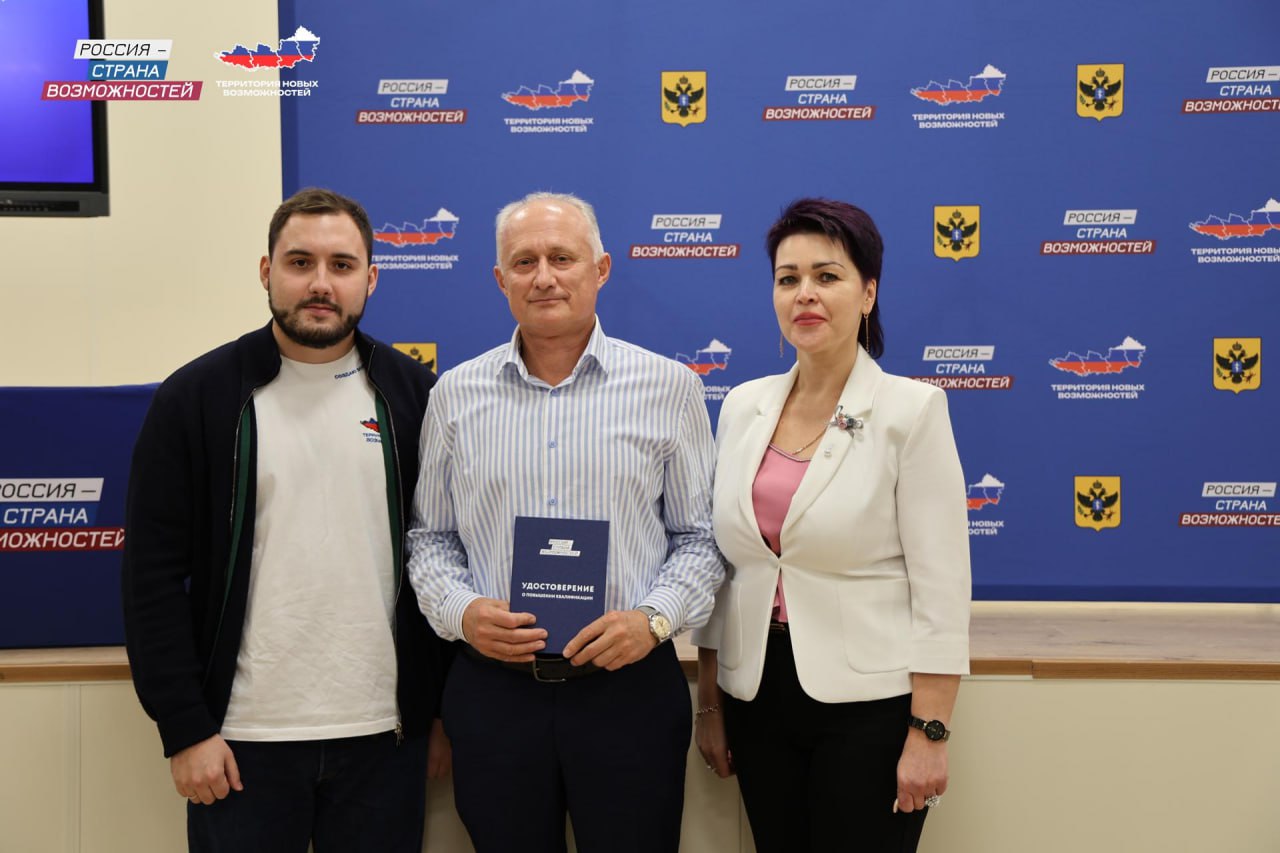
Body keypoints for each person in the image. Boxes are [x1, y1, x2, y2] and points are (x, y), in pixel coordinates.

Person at [121, 188, 453, 852]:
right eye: (300, 262)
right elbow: (150, 578)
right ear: (266, 271)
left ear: (370, 279)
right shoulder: (196, 397)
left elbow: (444, 556)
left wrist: (438, 713)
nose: (320, 283)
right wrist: (185, 728)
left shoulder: (416, 396)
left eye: (341, 265)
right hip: (240, 742)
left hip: (384, 740)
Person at [407, 191, 724, 853]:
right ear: (501, 279)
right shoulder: (454, 394)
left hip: (629, 692)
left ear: (600, 269)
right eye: (524, 262)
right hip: (495, 695)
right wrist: (462, 611)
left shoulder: (670, 388)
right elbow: (431, 538)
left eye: (562, 258)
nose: (544, 277)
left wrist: (653, 619)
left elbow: (698, 538)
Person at [693, 198, 971, 852]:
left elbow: (942, 587)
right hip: (756, 695)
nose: (805, 294)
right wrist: (709, 702)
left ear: (868, 292)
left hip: (870, 708)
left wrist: (930, 733)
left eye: (827, 276)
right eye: (788, 278)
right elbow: (726, 569)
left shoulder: (911, 410)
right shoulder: (742, 406)